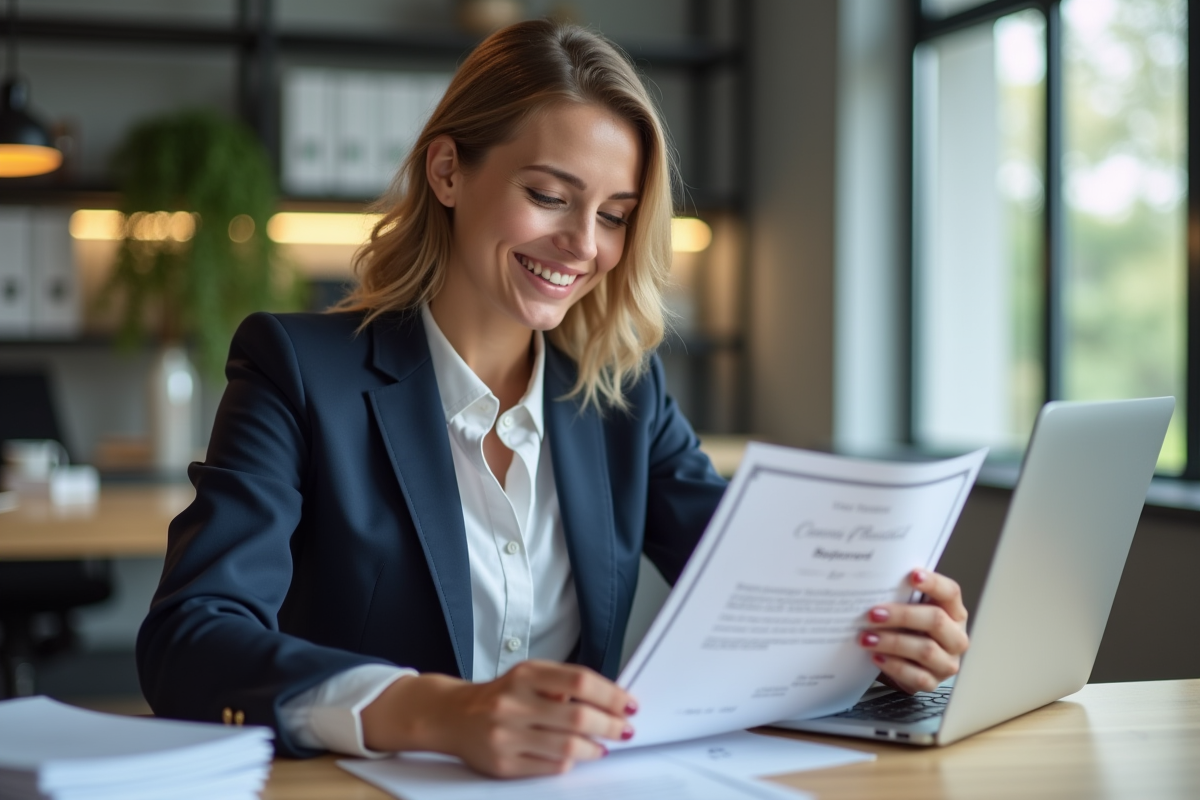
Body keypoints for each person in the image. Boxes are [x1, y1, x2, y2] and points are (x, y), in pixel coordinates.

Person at [137, 19, 970, 779]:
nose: (583, 246)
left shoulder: (624, 395)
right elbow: (190, 641)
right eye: (548, 196)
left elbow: (760, 589)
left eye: (615, 215)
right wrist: (435, 711)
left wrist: (891, 634)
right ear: (448, 170)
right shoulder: (298, 370)